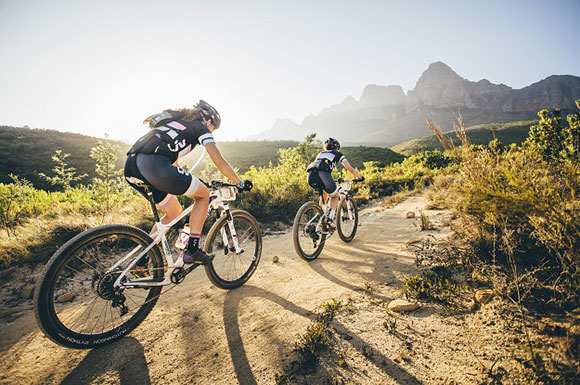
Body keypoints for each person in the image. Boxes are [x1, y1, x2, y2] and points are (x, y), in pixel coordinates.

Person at [124, 100, 252, 265]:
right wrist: (239, 182)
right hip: (155, 166)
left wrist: (188, 180)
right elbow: (218, 160)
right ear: (207, 121)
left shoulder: (175, 124)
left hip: (132, 166)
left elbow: (173, 163)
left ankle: (141, 261)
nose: (213, 131)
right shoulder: (200, 128)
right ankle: (192, 250)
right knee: (204, 195)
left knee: (174, 211)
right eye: (214, 127)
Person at [306, 138, 364, 227]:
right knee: (335, 196)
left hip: (310, 175)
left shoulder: (320, 153)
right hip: (323, 174)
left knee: (324, 193)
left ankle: (320, 217)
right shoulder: (338, 154)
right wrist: (359, 177)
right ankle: (329, 219)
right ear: (337, 147)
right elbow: (351, 169)